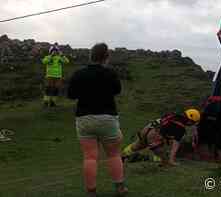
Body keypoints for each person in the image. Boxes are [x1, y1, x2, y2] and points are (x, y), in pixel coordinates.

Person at [67, 43, 127, 197]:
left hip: (84, 118)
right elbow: (117, 91)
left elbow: (71, 95)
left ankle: (91, 192)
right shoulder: (111, 73)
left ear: (91, 56)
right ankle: (120, 187)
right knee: (114, 154)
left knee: (90, 157)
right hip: (107, 117)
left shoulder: (79, 74)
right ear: (106, 57)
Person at [122, 109, 201, 166]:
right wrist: (171, 160)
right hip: (153, 136)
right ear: (190, 121)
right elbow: (175, 145)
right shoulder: (181, 128)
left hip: (146, 129)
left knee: (136, 146)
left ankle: (122, 156)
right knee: (165, 160)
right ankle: (144, 158)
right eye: (193, 123)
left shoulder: (173, 115)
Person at [42, 43, 69, 107]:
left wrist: (62, 56)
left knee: (56, 89)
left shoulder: (59, 58)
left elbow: (67, 62)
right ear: (50, 51)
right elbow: (44, 62)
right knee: (48, 89)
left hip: (58, 77)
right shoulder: (48, 57)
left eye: (56, 51)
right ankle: (46, 102)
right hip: (49, 76)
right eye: (53, 51)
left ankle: (53, 102)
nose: (55, 52)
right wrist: (51, 56)